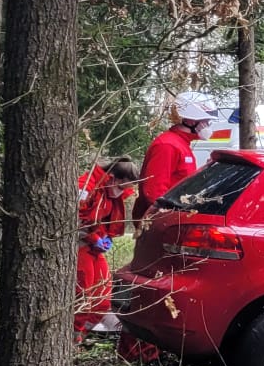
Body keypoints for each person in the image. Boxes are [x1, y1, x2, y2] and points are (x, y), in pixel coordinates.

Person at [76, 158, 139, 338]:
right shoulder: (86, 187)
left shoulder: (109, 194)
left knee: (102, 299)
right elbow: (75, 219)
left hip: (94, 248)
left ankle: (82, 335)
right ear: (112, 178)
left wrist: (105, 237)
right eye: (122, 188)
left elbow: (104, 221)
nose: (122, 193)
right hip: (80, 245)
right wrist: (95, 238)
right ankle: (73, 338)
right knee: (83, 296)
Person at [134, 91, 216, 228]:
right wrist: (168, 219)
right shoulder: (167, 145)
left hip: (174, 220)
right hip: (162, 224)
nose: (208, 125)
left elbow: (181, 181)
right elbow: (154, 191)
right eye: (205, 121)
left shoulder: (182, 145)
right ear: (190, 120)